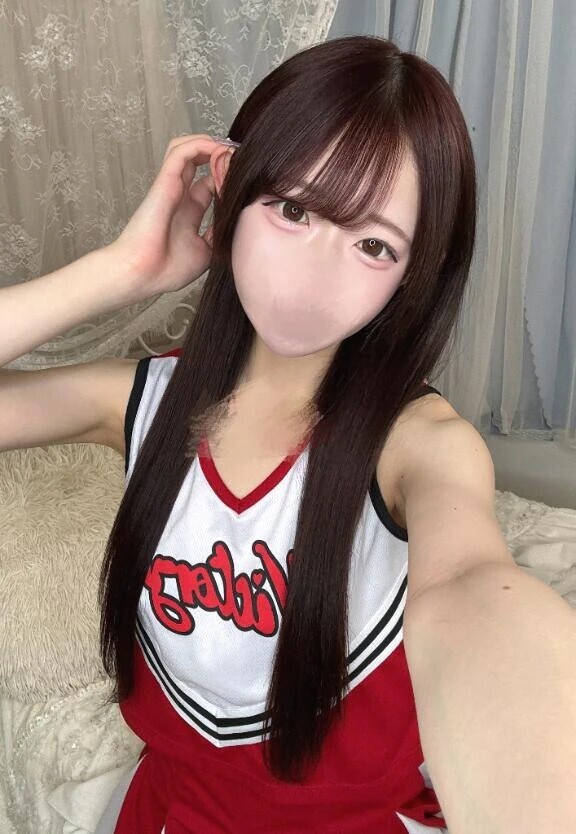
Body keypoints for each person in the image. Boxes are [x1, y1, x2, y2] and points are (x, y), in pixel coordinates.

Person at [1, 34, 576, 834]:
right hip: (172, 808)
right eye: (294, 210)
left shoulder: (420, 446)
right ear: (232, 189)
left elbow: (478, 592)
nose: (315, 275)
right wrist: (122, 269)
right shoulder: (142, 402)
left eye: (373, 245)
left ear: (413, 273)